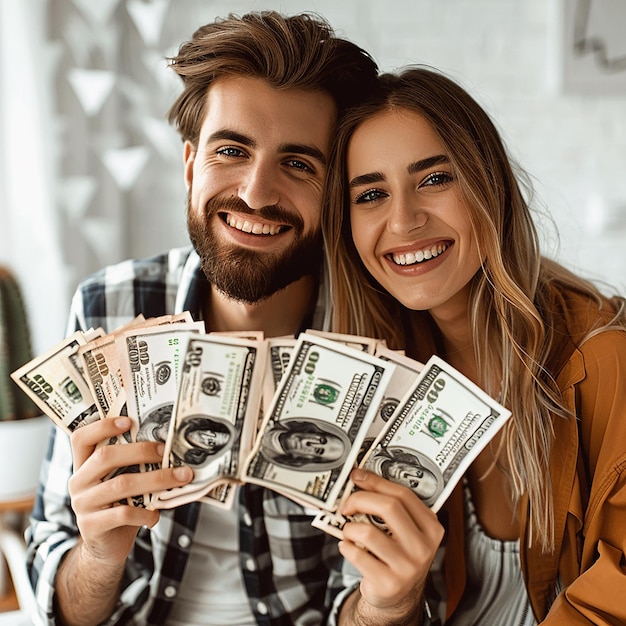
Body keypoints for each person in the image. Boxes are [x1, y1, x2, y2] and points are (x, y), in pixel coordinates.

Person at [26, 12, 379, 626]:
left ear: (334, 191)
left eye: (298, 164)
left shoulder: (375, 343)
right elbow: (58, 577)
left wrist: (389, 601)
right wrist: (99, 554)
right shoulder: (107, 307)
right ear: (190, 164)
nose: (256, 193)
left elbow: (368, 600)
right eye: (231, 151)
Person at [323, 66, 626, 624]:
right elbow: (350, 604)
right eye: (370, 194)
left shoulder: (606, 359)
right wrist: (390, 604)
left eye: (435, 179)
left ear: (489, 185)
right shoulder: (381, 374)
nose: (404, 220)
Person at [258, 418, 349, 470]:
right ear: (315, 431)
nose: (309, 443)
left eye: (318, 450)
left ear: (309, 458)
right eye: (321, 440)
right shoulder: (279, 418)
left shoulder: (266, 456)